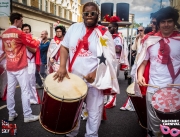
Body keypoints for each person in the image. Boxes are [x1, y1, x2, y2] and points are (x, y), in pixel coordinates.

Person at [53, 2, 120, 137]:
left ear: (97, 14)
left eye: (92, 13)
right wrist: (62, 67)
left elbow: (108, 56)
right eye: (86, 13)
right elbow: (64, 47)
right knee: (72, 110)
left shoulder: (102, 33)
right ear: (82, 15)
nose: (89, 16)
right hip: (73, 79)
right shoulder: (74, 28)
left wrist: (96, 73)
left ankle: (91, 135)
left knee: (94, 112)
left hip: (94, 81)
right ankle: (71, 133)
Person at [135, 7, 180, 137]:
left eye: (170, 21)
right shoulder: (149, 41)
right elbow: (143, 62)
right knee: (154, 125)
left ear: (174, 22)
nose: (166, 25)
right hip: (153, 88)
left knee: (172, 126)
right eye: (163, 22)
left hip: (175, 90)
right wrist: (139, 76)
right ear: (159, 23)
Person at [1, 12, 40, 122]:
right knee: (25, 90)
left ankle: (11, 114)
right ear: (16, 21)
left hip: (9, 66)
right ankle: (27, 115)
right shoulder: (19, 33)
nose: (22, 23)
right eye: (21, 20)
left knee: (10, 91)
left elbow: (4, 50)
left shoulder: (4, 34)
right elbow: (34, 44)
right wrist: (38, 39)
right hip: (21, 66)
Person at [21, 23, 41, 104]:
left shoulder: (33, 39)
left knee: (31, 82)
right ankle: (28, 98)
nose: (26, 31)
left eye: (27, 29)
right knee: (24, 83)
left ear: (30, 30)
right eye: (24, 29)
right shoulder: (20, 38)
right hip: (22, 63)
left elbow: (34, 50)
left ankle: (34, 99)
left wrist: (25, 44)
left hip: (31, 62)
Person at [0, 27, 7, 100]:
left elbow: (7, 51)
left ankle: (2, 94)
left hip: (3, 62)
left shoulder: (3, 41)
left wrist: (1, 59)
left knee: (3, 80)